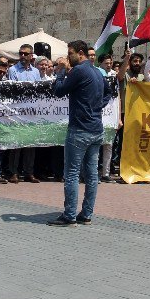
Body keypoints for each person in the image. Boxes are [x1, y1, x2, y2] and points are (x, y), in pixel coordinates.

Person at [47, 40, 114, 226]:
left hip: (80, 130)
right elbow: (109, 92)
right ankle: (86, 215)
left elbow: (59, 91)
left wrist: (60, 71)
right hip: (96, 129)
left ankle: (69, 215)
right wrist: (96, 107)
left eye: (71, 53)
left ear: (81, 53)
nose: (68, 57)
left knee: (72, 173)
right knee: (92, 175)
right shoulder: (96, 71)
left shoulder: (79, 70)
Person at [6, 44, 42, 183]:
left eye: (25, 54)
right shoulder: (13, 70)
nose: (22, 56)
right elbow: (14, 89)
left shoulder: (36, 72)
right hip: (18, 111)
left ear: (31, 56)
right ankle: (13, 172)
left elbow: (38, 90)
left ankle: (29, 172)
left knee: (30, 143)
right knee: (16, 144)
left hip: (32, 111)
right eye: (20, 53)